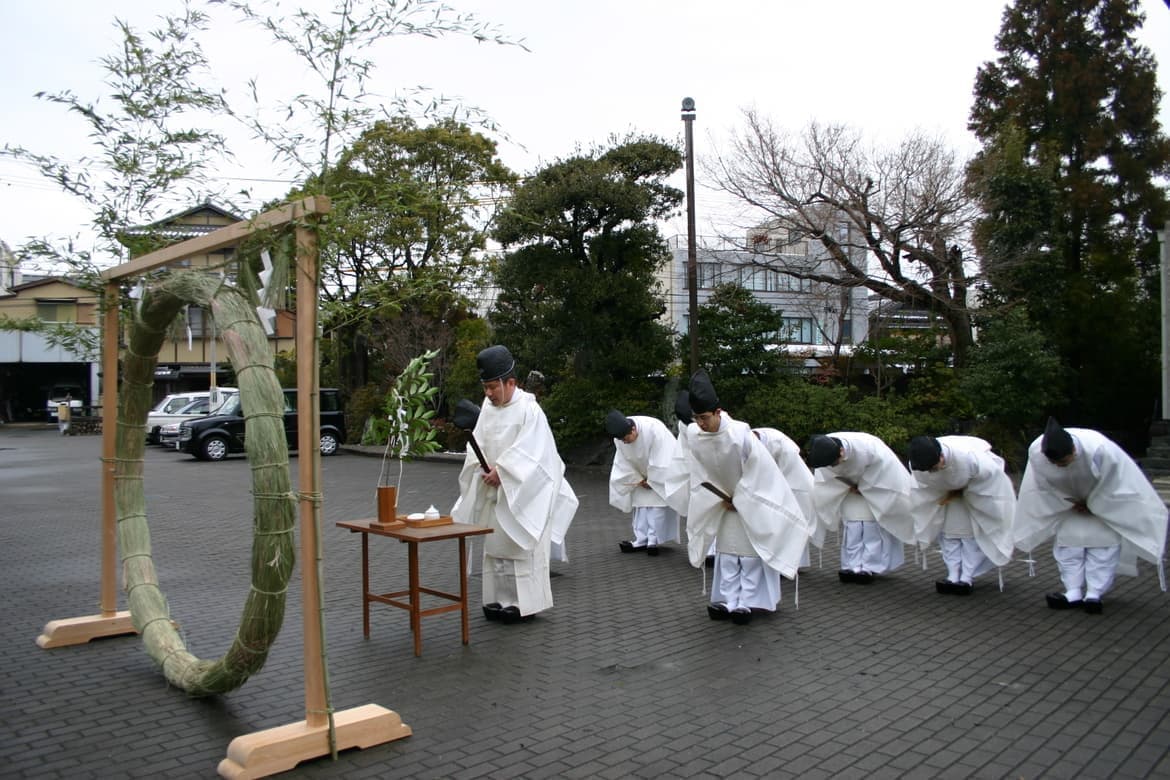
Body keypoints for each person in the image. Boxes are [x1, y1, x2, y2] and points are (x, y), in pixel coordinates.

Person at [451, 345, 578, 624]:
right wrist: (481, 468)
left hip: (521, 493)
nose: (488, 393)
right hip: (494, 490)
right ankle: (497, 598)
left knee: (520, 550)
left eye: (492, 387)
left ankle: (523, 604)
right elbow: (477, 443)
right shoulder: (488, 408)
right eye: (485, 387)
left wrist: (504, 471)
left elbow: (535, 454)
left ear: (510, 382)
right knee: (495, 548)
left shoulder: (529, 410)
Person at [678, 370, 811, 624]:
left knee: (749, 557)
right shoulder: (695, 435)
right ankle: (728, 600)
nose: (700, 424)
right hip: (721, 503)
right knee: (727, 555)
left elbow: (760, 472)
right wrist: (714, 496)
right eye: (696, 418)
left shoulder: (740, 434)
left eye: (704, 417)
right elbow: (699, 469)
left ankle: (747, 602)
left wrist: (740, 498)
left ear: (718, 412)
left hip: (749, 502)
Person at [1014, 418, 1167, 614]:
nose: (1059, 466)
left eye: (1063, 461)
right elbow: (1041, 484)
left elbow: (1115, 482)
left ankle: (1094, 593)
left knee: (1102, 549)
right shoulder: (1036, 452)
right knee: (1068, 548)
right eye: (1054, 463)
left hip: (1103, 506)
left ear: (1073, 450)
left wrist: (1093, 504)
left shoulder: (1099, 449)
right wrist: (1067, 500)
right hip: (1068, 505)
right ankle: (1073, 591)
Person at [908, 435, 1015, 595]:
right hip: (947, 500)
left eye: (934, 468)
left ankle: (966, 577)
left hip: (973, 497)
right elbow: (923, 485)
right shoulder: (918, 464)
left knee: (969, 539)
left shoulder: (971, 458)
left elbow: (992, 478)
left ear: (941, 456)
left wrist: (965, 491)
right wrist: (944, 490)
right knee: (949, 537)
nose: (932, 472)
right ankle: (952, 575)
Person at [807, 432, 915, 583]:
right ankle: (851, 565)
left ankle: (869, 566)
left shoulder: (868, 448)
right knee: (853, 528)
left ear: (841, 451)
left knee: (871, 530)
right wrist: (846, 485)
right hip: (847, 491)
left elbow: (883, 470)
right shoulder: (822, 450)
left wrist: (864, 486)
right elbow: (827, 476)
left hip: (874, 487)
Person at [606, 410, 687, 555]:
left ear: (633, 429)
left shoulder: (654, 429)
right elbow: (622, 461)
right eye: (621, 440)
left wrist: (653, 480)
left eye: (626, 438)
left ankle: (653, 540)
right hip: (639, 475)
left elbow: (663, 455)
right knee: (641, 507)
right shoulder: (620, 438)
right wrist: (637, 479)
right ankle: (641, 539)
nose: (624, 442)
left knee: (657, 507)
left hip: (658, 476)